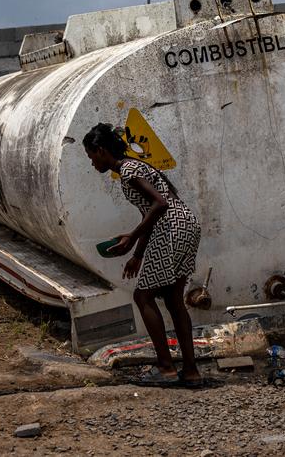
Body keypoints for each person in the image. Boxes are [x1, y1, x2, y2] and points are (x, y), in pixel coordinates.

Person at [83, 123, 203, 387]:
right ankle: (191, 371)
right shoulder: (135, 166)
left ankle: (166, 367)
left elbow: (160, 204)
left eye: (91, 157)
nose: (92, 164)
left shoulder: (127, 171)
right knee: (173, 300)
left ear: (101, 151)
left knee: (143, 295)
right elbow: (150, 211)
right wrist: (137, 254)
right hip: (185, 225)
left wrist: (132, 236)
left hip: (170, 227)